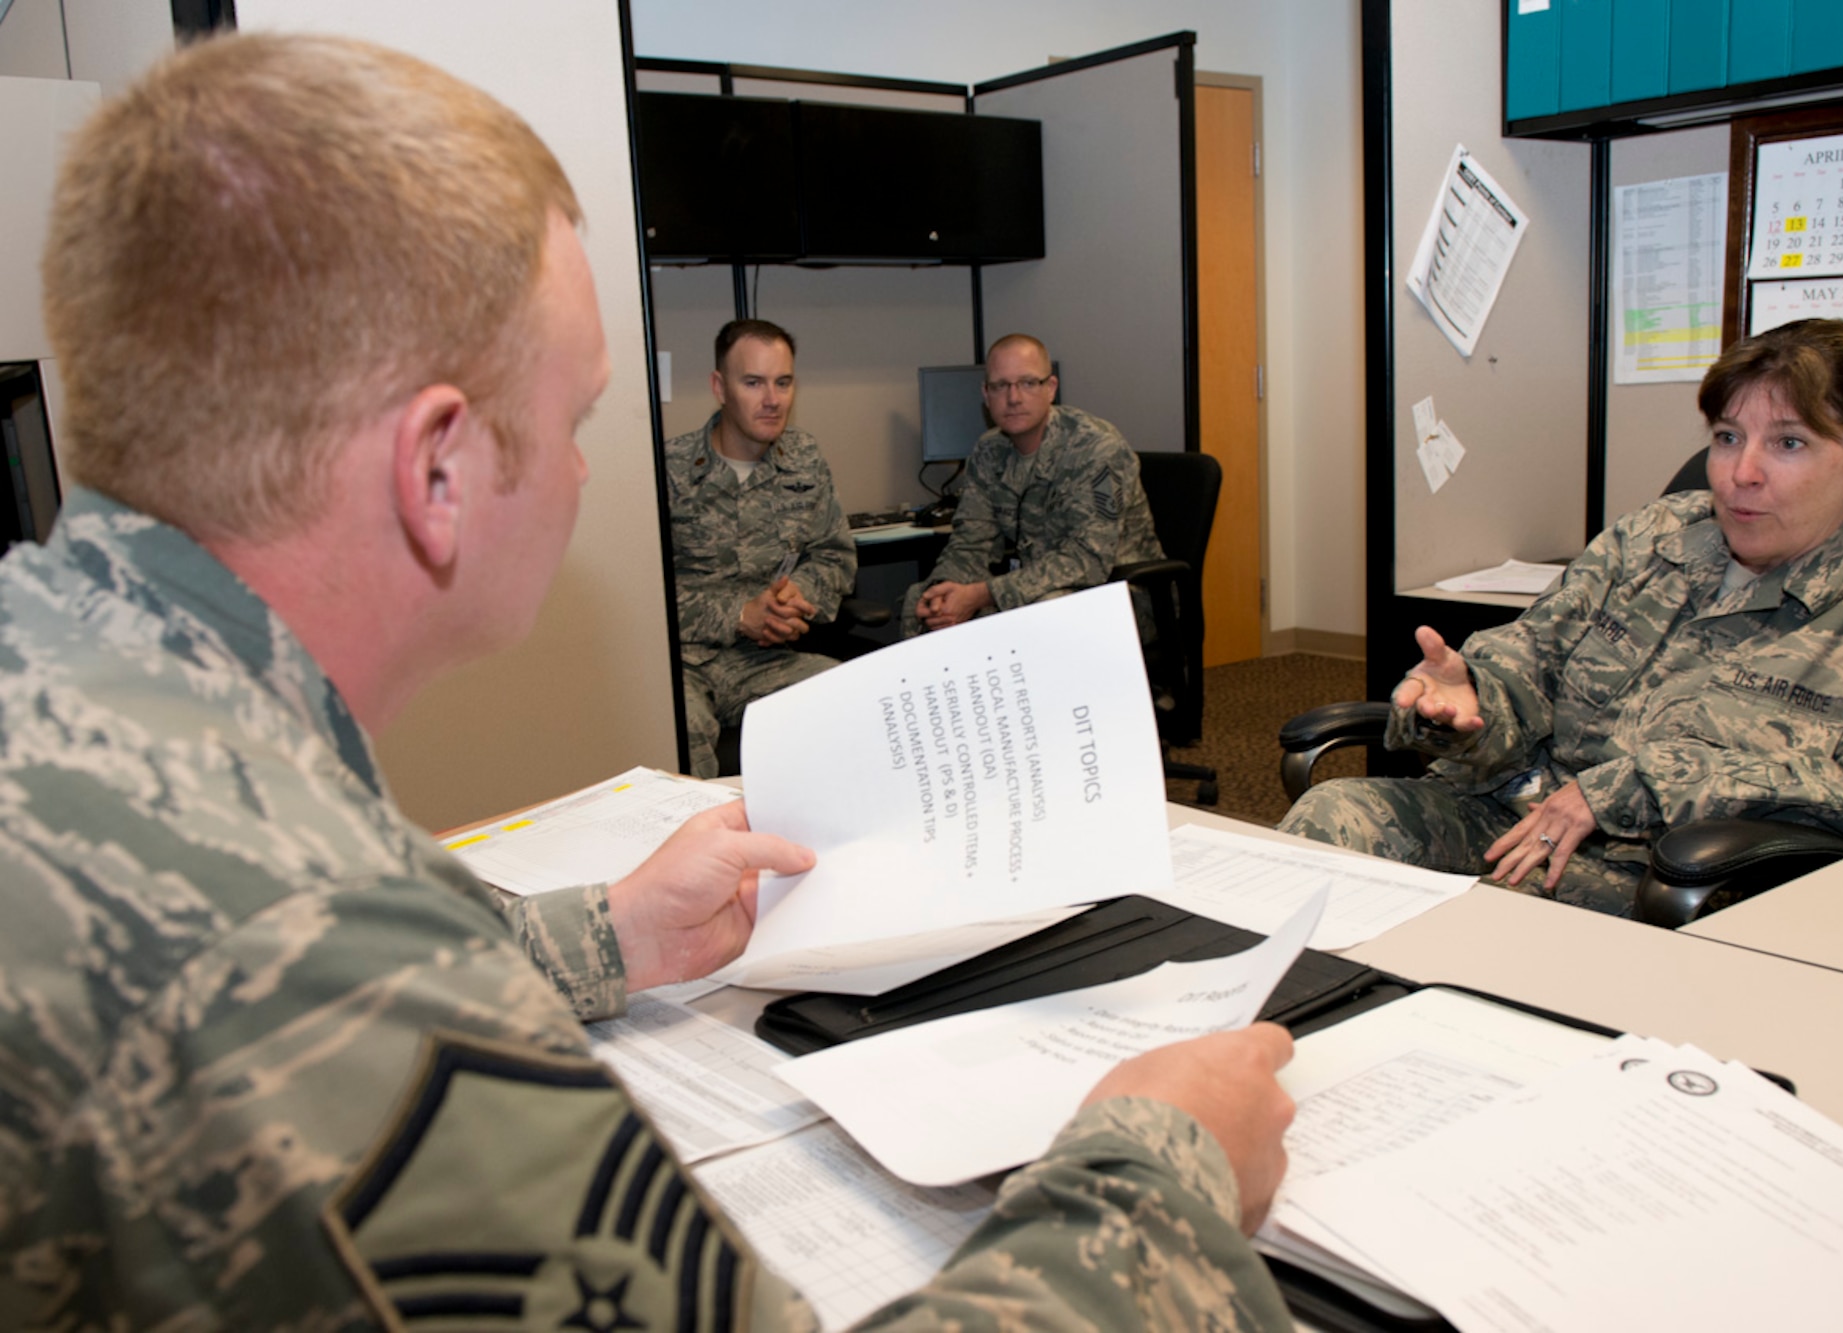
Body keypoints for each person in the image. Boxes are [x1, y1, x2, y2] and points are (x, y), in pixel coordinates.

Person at [0, 33, 1300, 1329]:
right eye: (573, 423)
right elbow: (324, 968)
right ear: (436, 470)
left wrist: (612, 932)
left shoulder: (87, 681)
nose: (583, 476)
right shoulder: (289, 929)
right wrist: (1161, 1172)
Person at [1282, 318, 1843, 917]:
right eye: (1729, 437)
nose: (1742, 472)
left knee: (1481, 923)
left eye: (1789, 443)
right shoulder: (1659, 534)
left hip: (1672, 874)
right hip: (1512, 812)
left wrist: (1633, 786)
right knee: (1327, 823)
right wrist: (1472, 698)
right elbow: (1532, 657)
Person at [663, 320, 857, 778]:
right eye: (753, 382)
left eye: (783, 382)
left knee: (855, 702)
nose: (772, 399)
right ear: (719, 387)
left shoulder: (804, 459)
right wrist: (739, 614)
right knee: (683, 738)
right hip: (686, 664)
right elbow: (646, 598)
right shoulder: (668, 470)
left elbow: (834, 556)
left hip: (765, 661)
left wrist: (795, 602)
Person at [903, 333, 1164, 635]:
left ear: (1051, 388)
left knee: (1037, 616)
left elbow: (1087, 560)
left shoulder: (1097, 450)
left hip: (1120, 598)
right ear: (986, 395)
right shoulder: (989, 452)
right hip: (1036, 589)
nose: (1013, 398)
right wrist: (943, 593)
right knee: (919, 602)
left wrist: (982, 594)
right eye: (1000, 386)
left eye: (1028, 383)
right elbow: (971, 543)